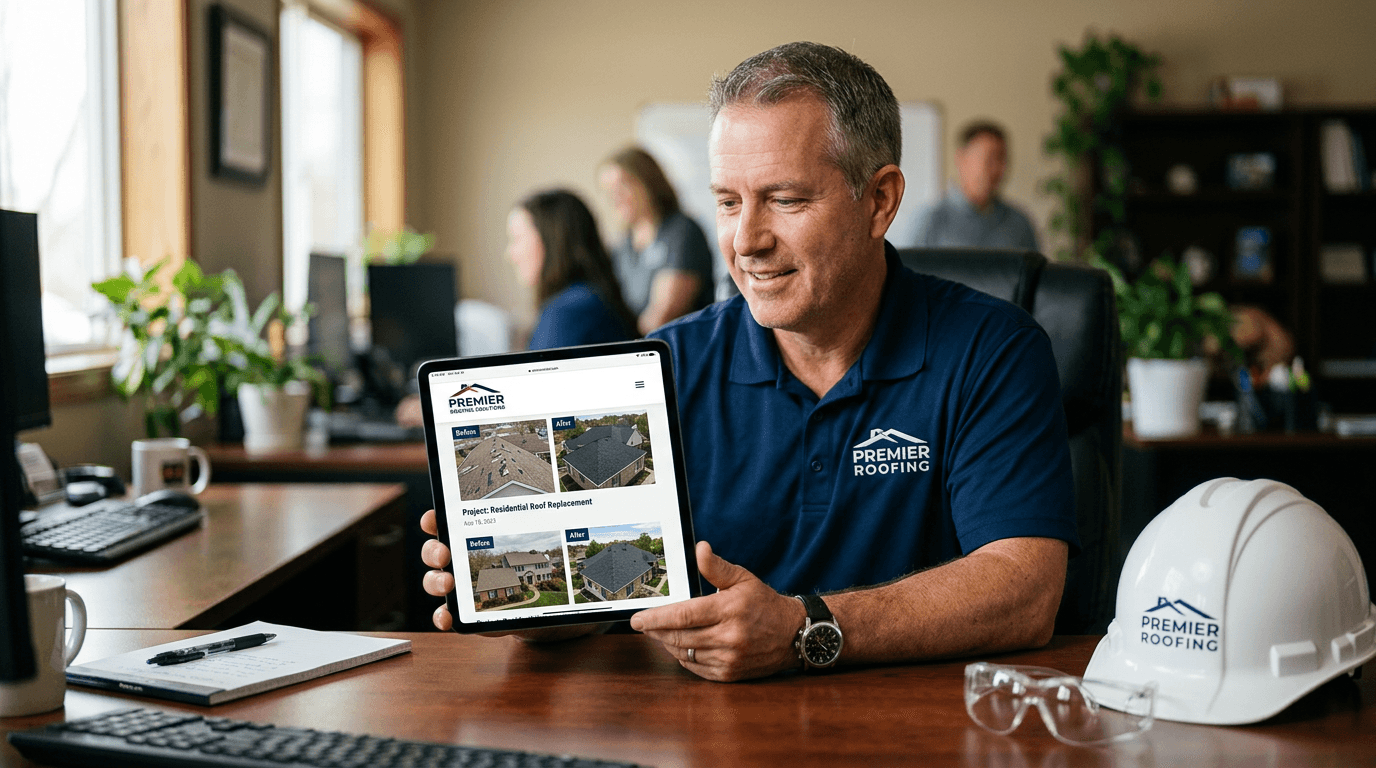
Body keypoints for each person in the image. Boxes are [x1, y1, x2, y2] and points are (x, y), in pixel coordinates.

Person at [421, 42, 1077, 682]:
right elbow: (608, 593)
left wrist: (803, 629)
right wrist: (533, 600)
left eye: (786, 200)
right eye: (728, 202)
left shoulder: (995, 349)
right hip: (694, 735)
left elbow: (1024, 589)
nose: (746, 241)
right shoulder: (667, 367)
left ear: (880, 201)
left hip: (917, 738)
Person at [599, 146, 716, 334]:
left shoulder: (681, 231)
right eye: (609, 190)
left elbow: (662, 315)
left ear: (648, 182)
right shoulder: (623, 245)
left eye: (623, 185)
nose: (616, 198)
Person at [507, 189, 638, 349]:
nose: (510, 254)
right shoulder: (591, 298)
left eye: (517, 239)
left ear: (552, 241)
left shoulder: (567, 312)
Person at [912, 121, 1040, 251]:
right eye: (989, 158)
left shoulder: (1019, 224)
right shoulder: (930, 221)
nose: (998, 169)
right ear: (962, 159)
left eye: (1002, 159)